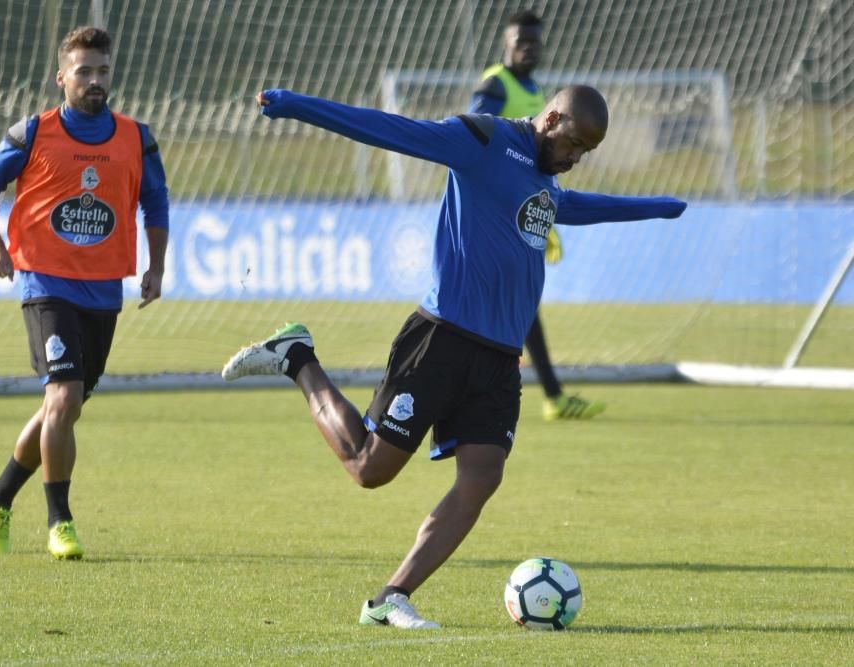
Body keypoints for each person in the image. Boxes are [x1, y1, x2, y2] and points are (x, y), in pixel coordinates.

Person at [221, 86, 686, 628]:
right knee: (369, 469)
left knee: (482, 477)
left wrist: (652, 208)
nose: (575, 158)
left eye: (586, 152)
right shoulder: (483, 139)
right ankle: (297, 356)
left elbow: (571, 206)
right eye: (574, 143)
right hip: (442, 341)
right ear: (552, 117)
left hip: (498, 360)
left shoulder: (544, 178)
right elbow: (387, 128)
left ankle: (391, 598)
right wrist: (300, 106)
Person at [0, 26, 169, 559]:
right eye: (84, 71)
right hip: (43, 282)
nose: (95, 80)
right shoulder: (34, 132)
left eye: (103, 70)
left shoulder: (137, 138)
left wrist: (157, 267)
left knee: (65, 406)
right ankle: (60, 521)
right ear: (62, 78)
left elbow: (157, 203)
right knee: (62, 397)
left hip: (104, 291)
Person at [471, 9, 605, 421]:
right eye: (520, 42)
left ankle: (545, 394)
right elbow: (477, 134)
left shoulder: (537, 90)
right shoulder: (496, 84)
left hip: (523, 214)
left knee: (519, 304)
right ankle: (546, 395)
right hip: (494, 214)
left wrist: (544, 215)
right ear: (506, 45)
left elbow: (539, 164)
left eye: (534, 42)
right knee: (515, 305)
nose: (528, 48)